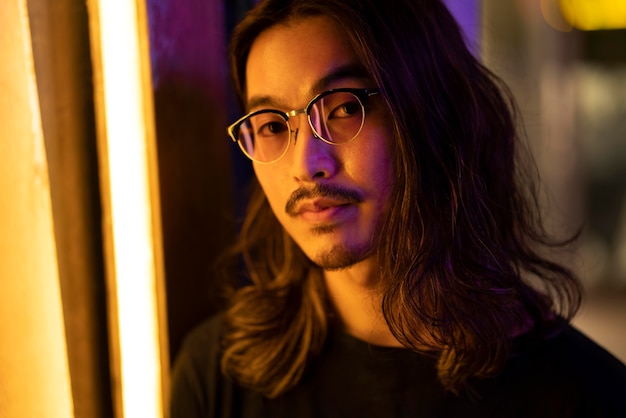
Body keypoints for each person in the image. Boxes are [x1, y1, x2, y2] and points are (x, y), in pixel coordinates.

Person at [170, 0, 626, 416]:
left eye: (344, 108)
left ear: (431, 113)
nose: (307, 164)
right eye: (271, 125)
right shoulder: (217, 376)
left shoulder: (582, 391)